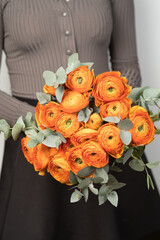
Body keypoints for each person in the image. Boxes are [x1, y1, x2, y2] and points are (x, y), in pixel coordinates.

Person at [0, 0, 160, 239]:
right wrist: (40, 123)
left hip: (106, 140)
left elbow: (128, 66)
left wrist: (107, 118)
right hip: (36, 151)